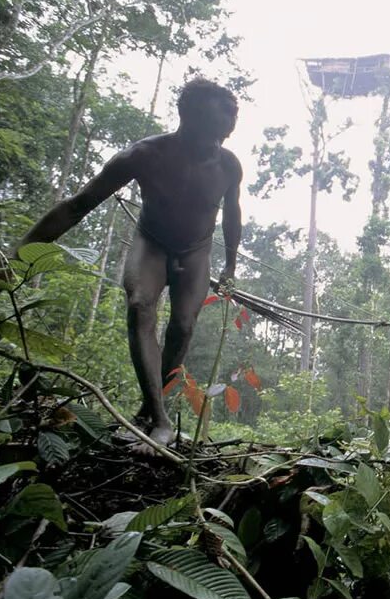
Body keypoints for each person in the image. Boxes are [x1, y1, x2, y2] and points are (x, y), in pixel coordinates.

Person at [14, 78, 242, 453]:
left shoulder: (229, 166)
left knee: (183, 327)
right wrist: (21, 252)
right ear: (189, 118)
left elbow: (233, 213)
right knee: (140, 305)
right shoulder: (143, 155)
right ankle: (161, 422)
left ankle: (148, 412)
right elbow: (77, 205)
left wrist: (230, 265)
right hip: (150, 243)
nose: (217, 143)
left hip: (196, 252)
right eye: (213, 131)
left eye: (225, 133)